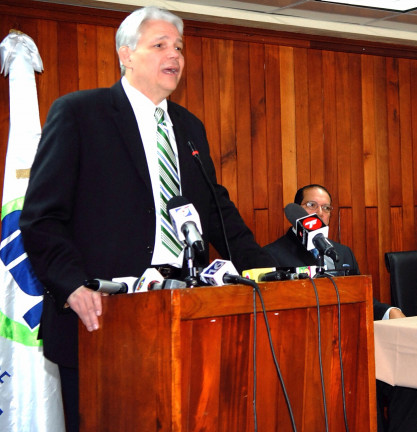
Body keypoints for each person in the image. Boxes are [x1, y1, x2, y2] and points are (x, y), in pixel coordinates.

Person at [18, 7, 275, 431]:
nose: (174, 55)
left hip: (181, 311)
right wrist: (72, 285)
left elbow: (216, 212)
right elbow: (41, 217)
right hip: (101, 316)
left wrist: (268, 273)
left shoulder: (189, 127)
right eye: (160, 45)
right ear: (126, 54)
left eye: (179, 48)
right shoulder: (80, 113)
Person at [263, 184, 417, 432]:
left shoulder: (341, 252)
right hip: (306, 356)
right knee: (358, 387)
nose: (320, 213)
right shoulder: (272, 256)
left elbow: (359, 299)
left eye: (326, 208)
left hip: (352, 349)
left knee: (409, 378)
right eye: (312, 205)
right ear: (296, 212)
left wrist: (388, 311)